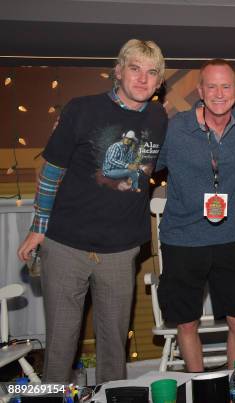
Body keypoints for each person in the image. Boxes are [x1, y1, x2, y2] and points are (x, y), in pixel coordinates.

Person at [17, 39, 167, 383]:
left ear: (160, 82)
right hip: (66, 244)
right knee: (61, 344)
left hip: (121, 248)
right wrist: (38, 227)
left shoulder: (159, 117)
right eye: (134, 68)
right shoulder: (81, 109)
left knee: (114, 345)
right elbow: (52, 170)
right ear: (118, 71)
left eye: (152, 72)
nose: (143, 79)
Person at [156, 59, 235, 372]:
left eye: (225, 86)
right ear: (200, 90)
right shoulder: (175, 129)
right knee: (187, 324)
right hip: (183, 239)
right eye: (210, 86)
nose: (218, 93)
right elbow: (141, 164)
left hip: (229, 239)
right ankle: (198, 386)